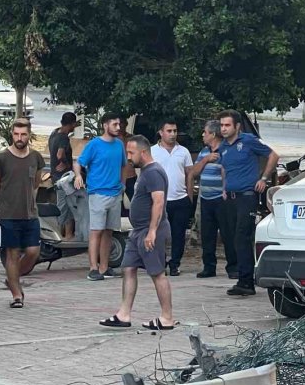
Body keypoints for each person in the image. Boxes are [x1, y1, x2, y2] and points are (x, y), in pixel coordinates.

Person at [99, 136, 175, 331]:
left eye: (131, 153)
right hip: (137, 231)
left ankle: (167, 317)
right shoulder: (146, 172)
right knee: (128, 268)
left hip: (150, 231)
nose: (128, 157)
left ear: (143, 152)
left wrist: (152, 231)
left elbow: (158, 202)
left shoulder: (153, 172)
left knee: (157, 273)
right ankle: (124, 314)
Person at [217, 110, 279, 296]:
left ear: (237, 126)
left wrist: (264, 178)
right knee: (232, 237)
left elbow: (273, 155)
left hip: (246, 196)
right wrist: (224, 187)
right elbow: (224, 168)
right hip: (231, 197)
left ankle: (246, 281)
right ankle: (241, 278)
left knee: (242, 237)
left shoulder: (248, 141)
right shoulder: (223, 147)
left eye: (227, 125)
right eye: (221, 125)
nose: (224, 129)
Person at [0, 118, 45, 308]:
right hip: (9, 215)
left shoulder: (36, 157)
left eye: (23, 134)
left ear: (29, 135)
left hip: (30, 214)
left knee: (33, 252)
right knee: (12, 254)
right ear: (11, 135)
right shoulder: (1, 158)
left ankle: (13, 278)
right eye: (16, 134)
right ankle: (16, 295)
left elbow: (36, 182)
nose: (19, 138)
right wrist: (6, 198)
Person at [73, 113, 126, 281]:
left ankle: (104, 267)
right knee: (96, 231)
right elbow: (78, 162)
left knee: (109, 231)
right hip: (98, 193)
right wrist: (77, 175)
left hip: (115, 193)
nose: (118, 127)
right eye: (115, 124)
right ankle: (93, 268)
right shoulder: (94, 144)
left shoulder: (119, 145)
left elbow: (124, 166)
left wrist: (122, 186)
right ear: (105, 125)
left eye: (119, 124)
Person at [190, 120, 237, 279]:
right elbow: (194, 173)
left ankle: (233, 267)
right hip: (206, 198)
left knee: (227, 234)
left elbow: (229, 173)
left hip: (221, 199)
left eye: (205, 132)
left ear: (213, 134)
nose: (203, 135)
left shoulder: (225, 150)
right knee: (207, 235)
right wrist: (205, 160)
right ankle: (209, 267)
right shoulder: (204, 151)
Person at [150, 118, 194, 276]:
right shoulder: (152, 151)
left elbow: (190, 174)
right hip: (160, 200)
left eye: (175, 131)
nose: (173, 134)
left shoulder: (183, 151)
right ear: (161, 133)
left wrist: (189, 197)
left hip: (180, 199)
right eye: (169, 131)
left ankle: (175, 264)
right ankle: (160, 262)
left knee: (179, 234)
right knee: (159, 233)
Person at [48, 112, 77, 239]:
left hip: (55, 176)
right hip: (63, 177)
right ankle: (62, 234)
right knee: (65, 205)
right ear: (71, 124)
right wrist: (65, 163)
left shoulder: (54, 133)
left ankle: (67, 234)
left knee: (65, 204)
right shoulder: (64, 138)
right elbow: (60, 154)